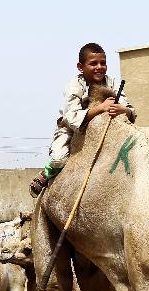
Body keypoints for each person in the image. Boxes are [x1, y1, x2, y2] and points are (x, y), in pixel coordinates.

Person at [30, 42, 136, 197]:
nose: (99, 67)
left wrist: (123, 109)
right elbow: (72, 118)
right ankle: (46, 174)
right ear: (80, 67)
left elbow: (130, 109)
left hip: (105, 126)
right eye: (93, 64)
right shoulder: (74, 86)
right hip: (73, 128)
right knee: (58, 159)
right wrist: (101, 108)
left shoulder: (112, 82)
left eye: (103, 63)